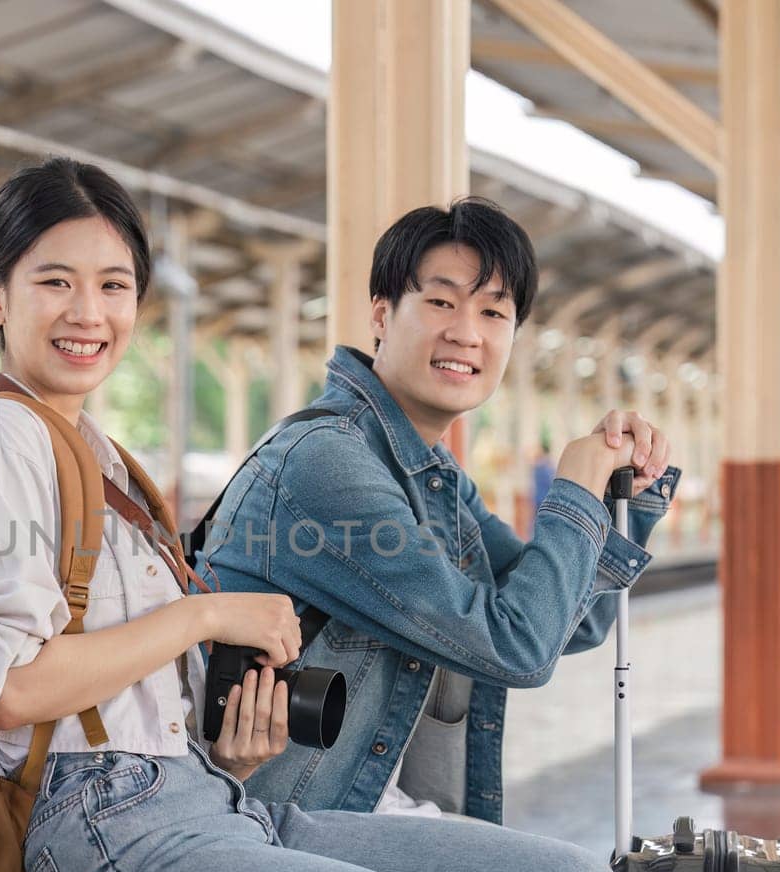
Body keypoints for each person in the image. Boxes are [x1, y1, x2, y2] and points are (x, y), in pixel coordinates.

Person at [0, 157, 631, 872]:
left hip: (209, 805)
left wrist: (232, 745)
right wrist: (207, 618)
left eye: (114, 285)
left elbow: (558, 621)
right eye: (56, 282)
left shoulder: (99, 458)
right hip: (114, 846)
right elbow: (5, 686)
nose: (89, 312)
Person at [193, 199, 678, 825]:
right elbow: (516, 648)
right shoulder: (327, 464)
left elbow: (570, 626)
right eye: (442, 302)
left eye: (494, 311)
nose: (467, 332)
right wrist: (576, 493)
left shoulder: (435, 476)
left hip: (361, 808)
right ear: (381, 314)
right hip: (277, 819)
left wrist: (623, 499)